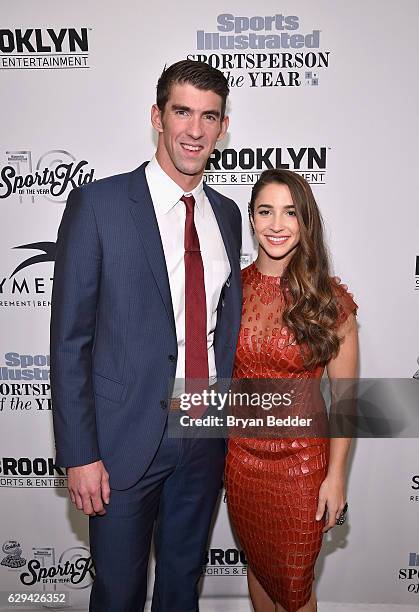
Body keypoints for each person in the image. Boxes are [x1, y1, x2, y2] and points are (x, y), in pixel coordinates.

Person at [50, 59, 242, 612]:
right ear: (157, 117)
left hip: (203, 432)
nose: (195, 130)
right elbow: (69, 342)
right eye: (182, 112)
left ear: (224, 127)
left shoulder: (226, 215)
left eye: (209, 117)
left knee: (182, 588)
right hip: (122, 440)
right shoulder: (100, 205)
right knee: (118, 594)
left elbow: (223, 324)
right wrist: (80, 452)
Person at [225, 169, 358, 612]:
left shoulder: (329, 301)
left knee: (296, 590)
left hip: (303, 469)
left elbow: (345, 400)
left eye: (290, 213)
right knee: (260, 573)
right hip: (242, 464)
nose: (277, 225)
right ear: (252, 218)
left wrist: (335, 477)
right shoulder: (230, 291)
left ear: (306, 221)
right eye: (266, 211)